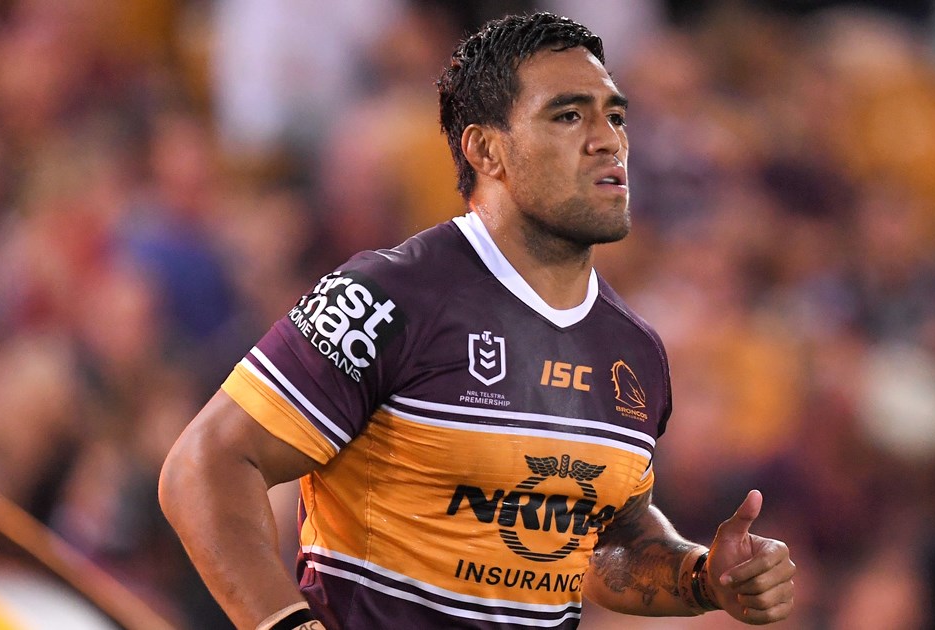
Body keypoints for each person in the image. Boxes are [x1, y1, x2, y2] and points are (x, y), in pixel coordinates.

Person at [159, 13, 796, 629]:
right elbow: (205, 465)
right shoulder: (386, 296)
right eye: (568, 115)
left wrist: (703, 578)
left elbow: (605, 543)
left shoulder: (635, 351)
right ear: (487, 149)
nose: (609, 139)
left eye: (616, 115)